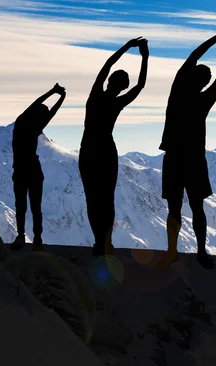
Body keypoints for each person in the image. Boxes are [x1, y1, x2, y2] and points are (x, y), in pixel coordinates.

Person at [156, 31, 216, 269]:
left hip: (176, 157)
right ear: (203, 81)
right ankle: (199, 252)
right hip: (192, 160)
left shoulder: (178, 92)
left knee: (177, 207)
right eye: (206, 77)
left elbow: (195, 57)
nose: (205, 80)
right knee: (196, 207)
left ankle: (175, 250)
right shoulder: (204, 98)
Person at [79, 37, 149, 257]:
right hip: (106, 150)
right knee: (106, 199)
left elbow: (107, 64)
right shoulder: (117, 102)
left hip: (89, 149)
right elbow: (141, 85)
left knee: (93, 198)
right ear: (122, 87)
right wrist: (144, 57)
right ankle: (104, 242)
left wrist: (127, 48)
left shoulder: (96, 95)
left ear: (110, 81)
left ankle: (100, 242)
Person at [11, 83, 66, 251]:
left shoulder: (21, 124)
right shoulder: (33, 127)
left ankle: (21, 236)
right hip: (34, 171)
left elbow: (39, 105)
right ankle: (37, 239)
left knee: (21, 206)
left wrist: (54, 92)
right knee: (36, 207)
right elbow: (50, 112)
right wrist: (61, 96)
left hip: (21, 171)